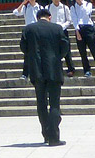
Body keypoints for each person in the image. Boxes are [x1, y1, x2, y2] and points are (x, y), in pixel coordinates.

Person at [21, 9, 70, 146]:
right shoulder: (57, 28)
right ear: (50, 16)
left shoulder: (29, 29)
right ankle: (54, 137)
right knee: (54, 103)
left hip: (37, 70)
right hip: (53, 69)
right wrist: (56, 57)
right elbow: (65, 46)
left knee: (41, 103)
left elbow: (23, 47)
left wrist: (33, 56)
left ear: (37, 17)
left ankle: (46, 134)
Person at [71, 0, 95, 77]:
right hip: (79, 28)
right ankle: (86, 70)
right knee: (82, 52)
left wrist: (81, 4)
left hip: (88, 27)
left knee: (94, 49)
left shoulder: (88, 4)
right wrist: (77, 31)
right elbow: (74, 19)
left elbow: (87, 13)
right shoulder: (73, 7)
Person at [47, 0, 76, 77]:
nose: (56, 0)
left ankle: (71, 69)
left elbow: (69, 20)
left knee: (67, 50)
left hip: (63, 31)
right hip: (52, 32)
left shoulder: (65, 7)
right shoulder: (48, 7)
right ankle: (56, 70)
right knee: (53, 52)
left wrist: (62, 27)